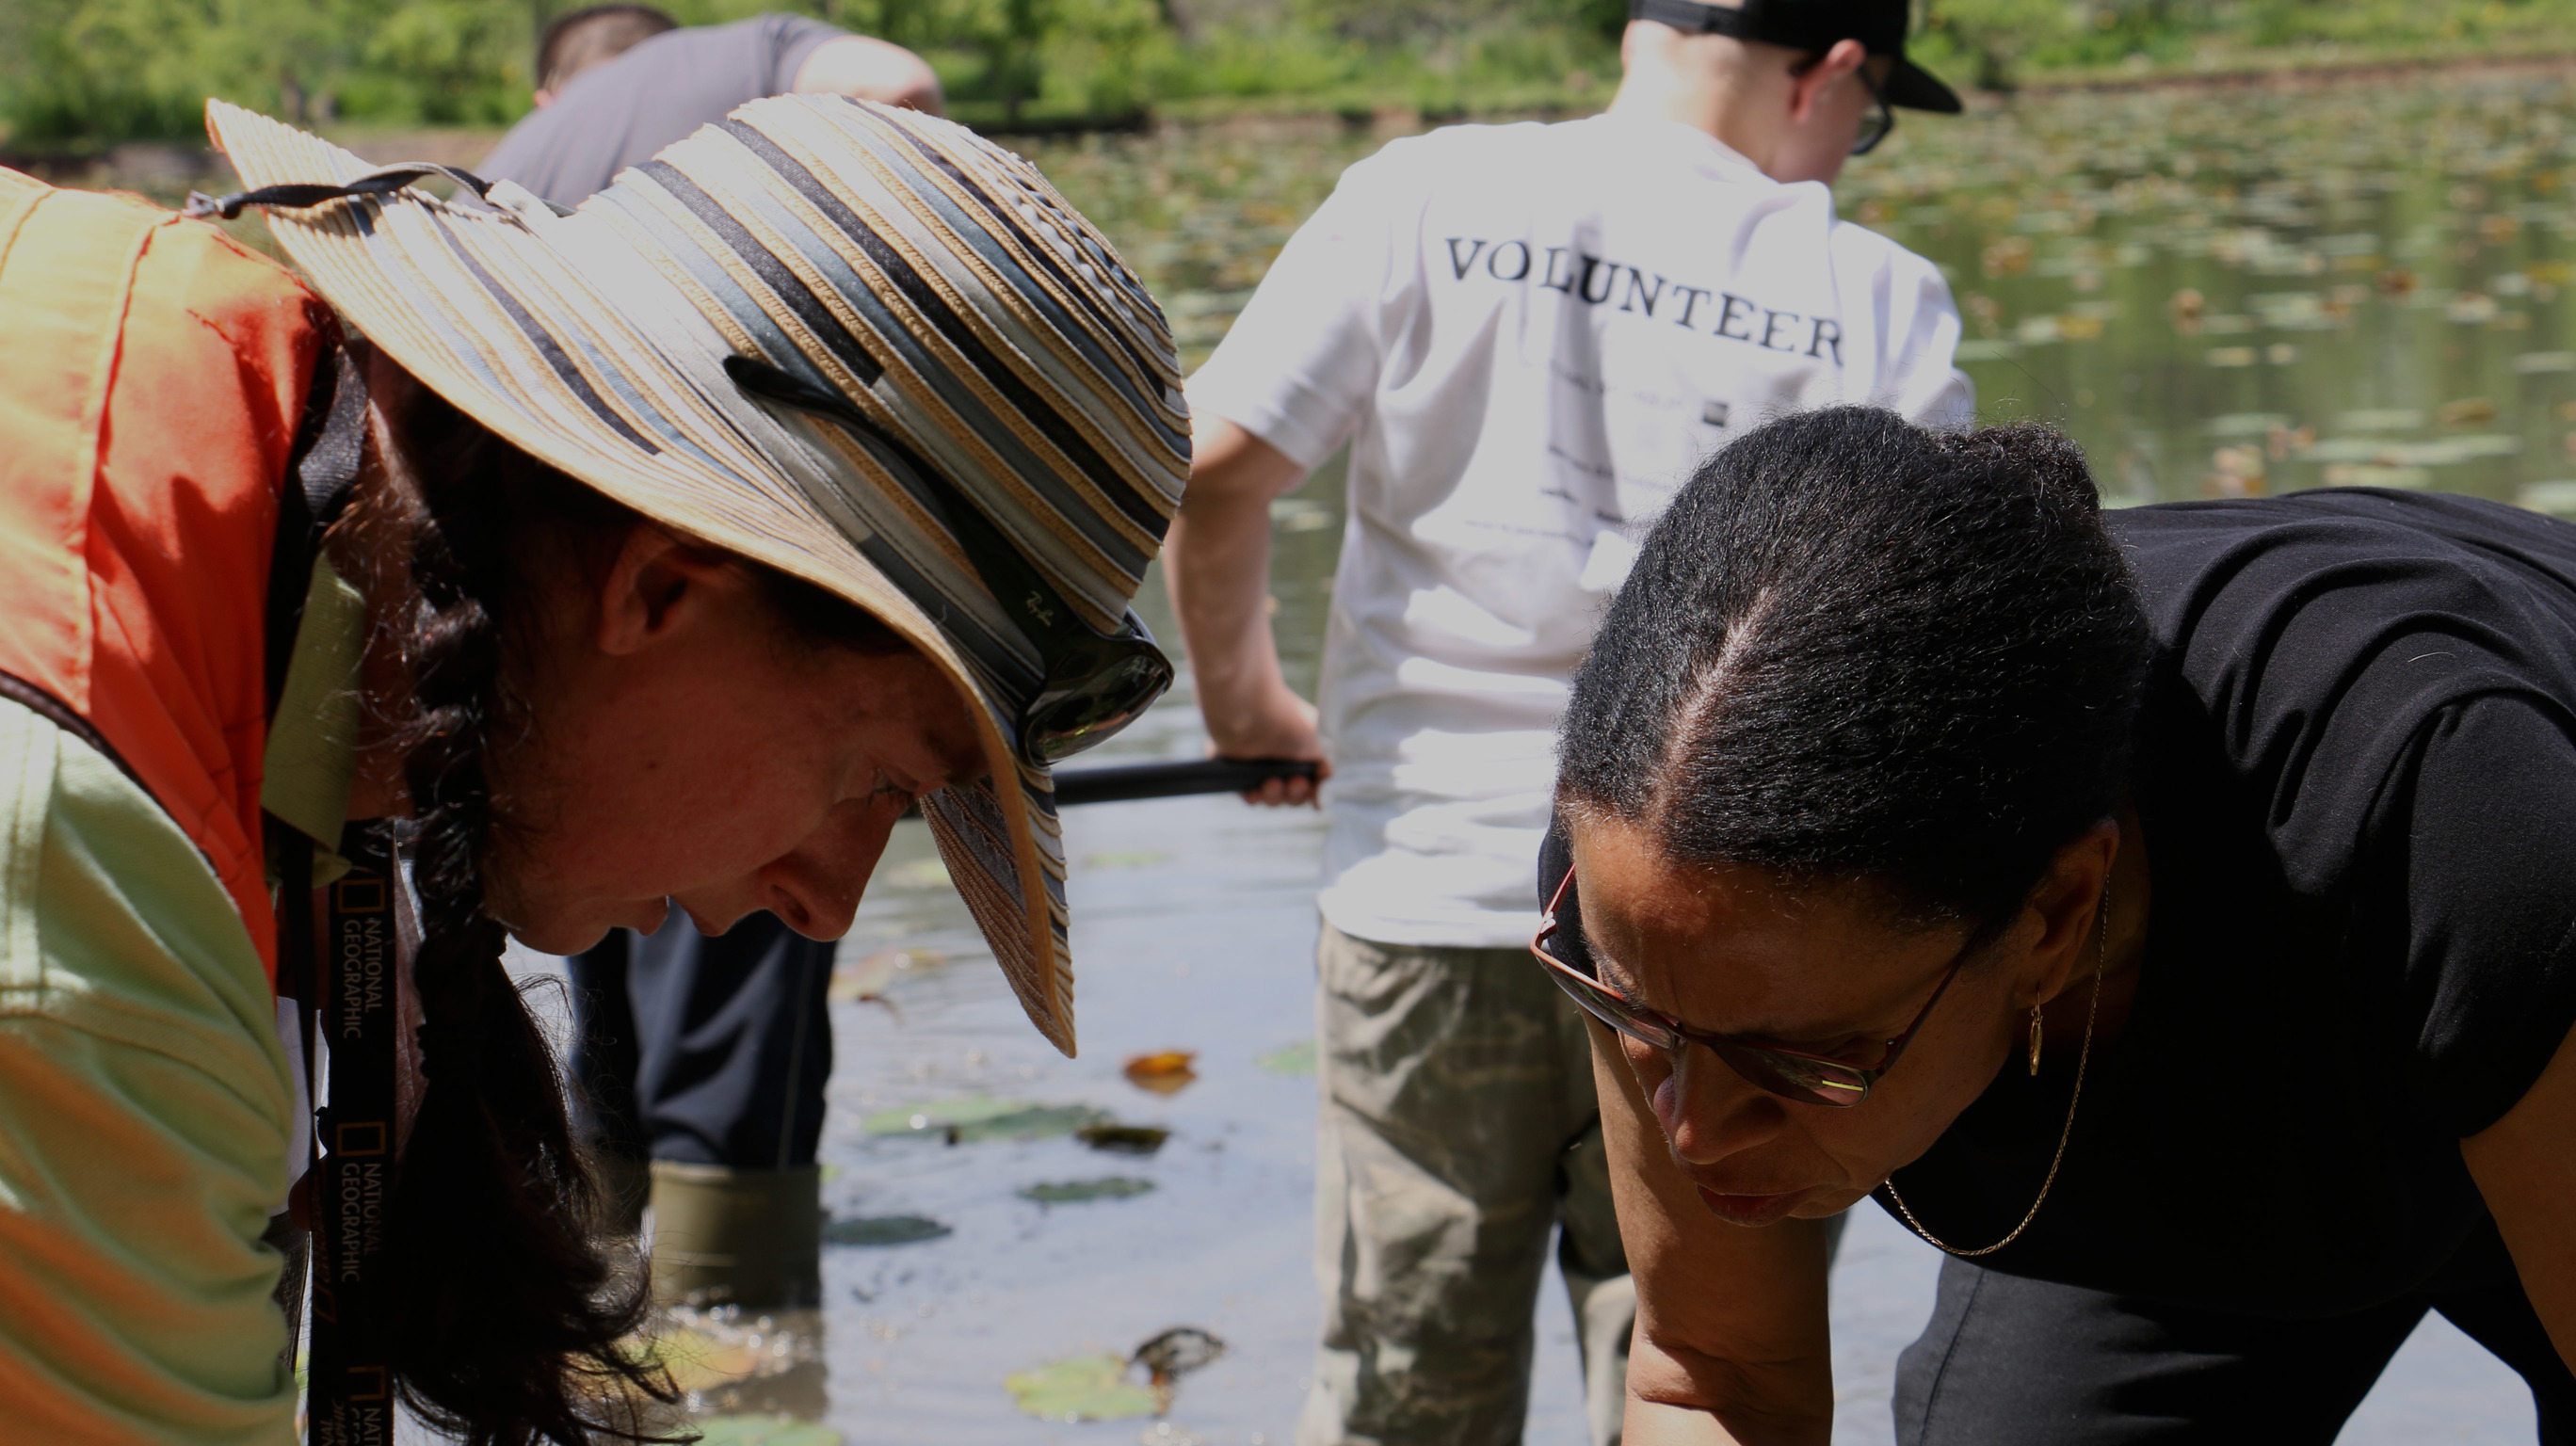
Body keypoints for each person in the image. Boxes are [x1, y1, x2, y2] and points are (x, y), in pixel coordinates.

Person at [0, 91, 1184, 1442]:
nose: (827, 906)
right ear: (671, 588)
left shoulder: (183, 381)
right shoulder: (74, 880)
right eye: (883, 788)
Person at [1166, 1, 1969, 1440]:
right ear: (1836, 69)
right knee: (1711, 1376)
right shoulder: (1874, 291)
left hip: (1430, 887)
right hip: (1718, 940)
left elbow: (1217, 468)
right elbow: (1922, 626)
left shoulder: (1424, 194)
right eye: (1877, 112)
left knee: (1405, 1395)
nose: (1855, 145)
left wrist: (1250, 708)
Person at [1543, 406, 2576, 1441]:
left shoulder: (2443, 820)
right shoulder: (1656, 878)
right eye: (1645, 1019)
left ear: (2054, 918)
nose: (1692, 1132)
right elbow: (1716, 1376)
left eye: (1799, 1060)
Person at [471, 4, 946, 1309]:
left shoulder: (523, 161)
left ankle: (609, 1298)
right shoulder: (747, 58)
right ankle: (745, 1321)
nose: (839, 897)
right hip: (761, 593)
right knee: (735, 1010)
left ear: (553, 83)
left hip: (545, 688)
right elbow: (895, 84)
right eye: (888, 795)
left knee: (600, 973)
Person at [475, 6, 943, 210]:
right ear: (669, 47)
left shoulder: (491, 170)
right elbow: (901, 85)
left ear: (544, 100)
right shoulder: (742, 50)